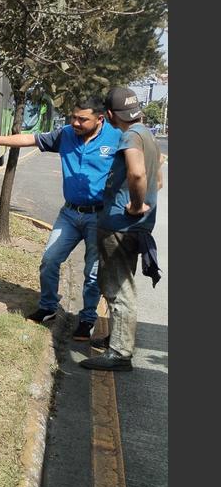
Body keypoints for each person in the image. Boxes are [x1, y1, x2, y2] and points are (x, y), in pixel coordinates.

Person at [0, 96, 122, 340]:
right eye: (73, 117)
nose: (75, 122)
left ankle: (87, 320)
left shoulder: (116, 138)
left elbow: (144, 163)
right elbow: (30, 139)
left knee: (92, 272)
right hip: (70, 213)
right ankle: (48, 307)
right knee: (50, 259)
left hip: (100, 217)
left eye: (82, 119)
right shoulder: (65, 134)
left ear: (100, 119)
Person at [80, 88, 162, 372]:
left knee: (119, 288)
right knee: (116, 282)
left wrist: (137, 204)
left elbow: (137, 172)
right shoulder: (147, 133)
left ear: (111, 115)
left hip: (121, 224)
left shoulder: (130, 136)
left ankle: (120, 352)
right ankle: (118, 338)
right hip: (132, 227)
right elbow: (158, 172)